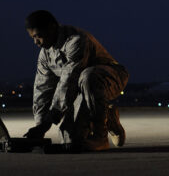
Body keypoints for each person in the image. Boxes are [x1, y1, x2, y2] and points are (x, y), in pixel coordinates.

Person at [22, 10, 129, 151]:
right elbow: (42, 90)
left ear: (52, 27)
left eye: (39, 36)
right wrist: (39, 126)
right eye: (33, 38)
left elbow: (69, 80)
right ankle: (107, 116)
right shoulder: (45, 55)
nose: (36, 42)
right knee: (71, 139)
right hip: (80, 88)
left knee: (88, 76)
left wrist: (48, 121)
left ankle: (100, 136)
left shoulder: (77, 40)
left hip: (110, 78)